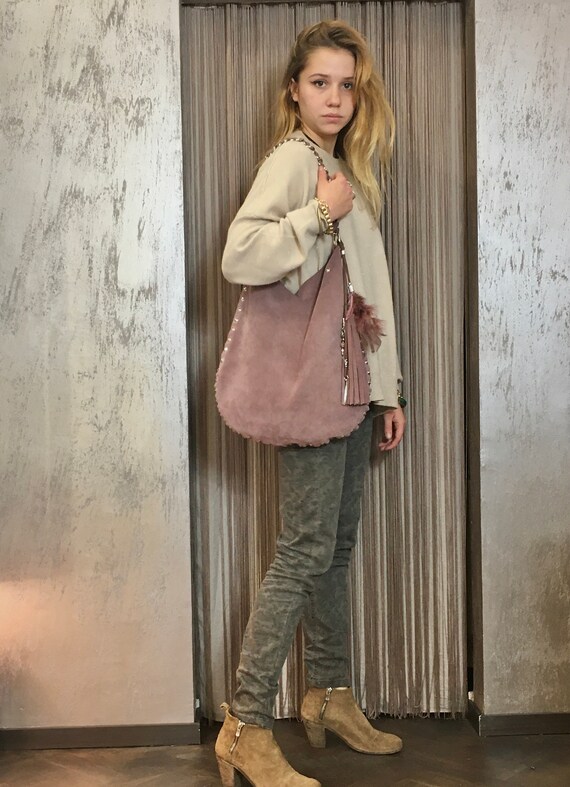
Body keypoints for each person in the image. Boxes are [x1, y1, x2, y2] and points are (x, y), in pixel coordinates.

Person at [215, 20, 406, 787]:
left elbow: (366, 292)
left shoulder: (343, 166)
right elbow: (239, 253)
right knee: (303, 550)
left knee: (334, 549)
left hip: (353, 390)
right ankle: (245, 724)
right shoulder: (296, 162)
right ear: (293, 89)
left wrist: (389, 390)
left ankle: (328, 693)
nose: (334, 97)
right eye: (320, 82)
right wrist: (317, 214)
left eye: (346, 84)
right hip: (312, 393)